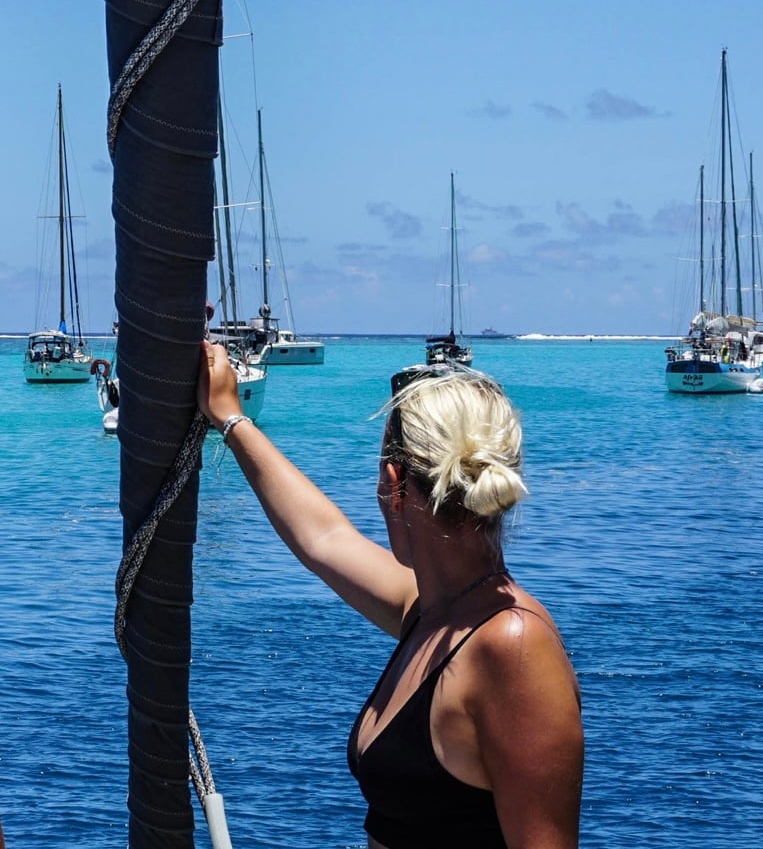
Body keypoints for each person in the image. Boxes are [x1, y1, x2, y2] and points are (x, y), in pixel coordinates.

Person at [198, 342, 583, 848]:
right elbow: (324, 540)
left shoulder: (511, 645)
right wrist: (230, 418)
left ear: (393, 483)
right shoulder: (437, 612)